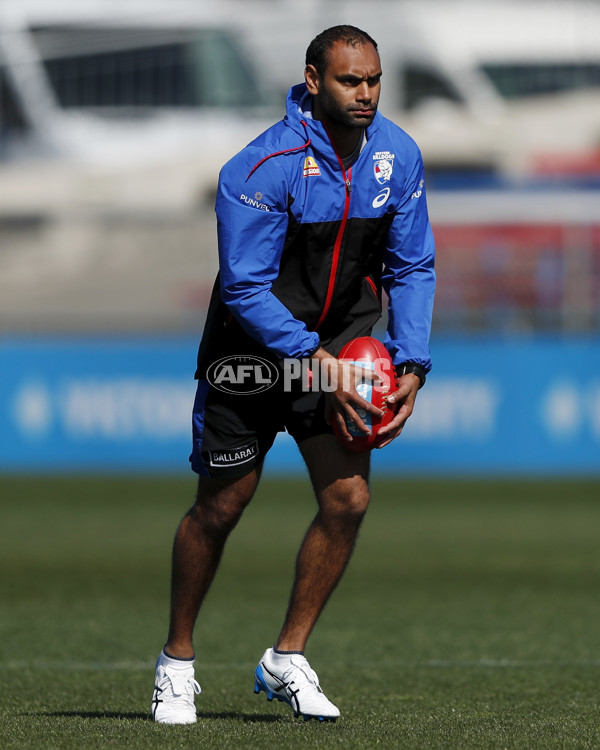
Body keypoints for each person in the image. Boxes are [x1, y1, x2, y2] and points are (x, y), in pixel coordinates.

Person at [151, 24, 435, 724]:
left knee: (348, 502)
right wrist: (315, 363)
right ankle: (176, 664)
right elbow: (245, 290)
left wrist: (411, 359)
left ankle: (287, 658)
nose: (365, 93)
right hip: (251, 351)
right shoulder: (257, 168)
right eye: (349, 81)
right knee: (220, 508)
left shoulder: (397, 156)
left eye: (373, 80)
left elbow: (411, 265)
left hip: (338, 348)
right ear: (314, 82)